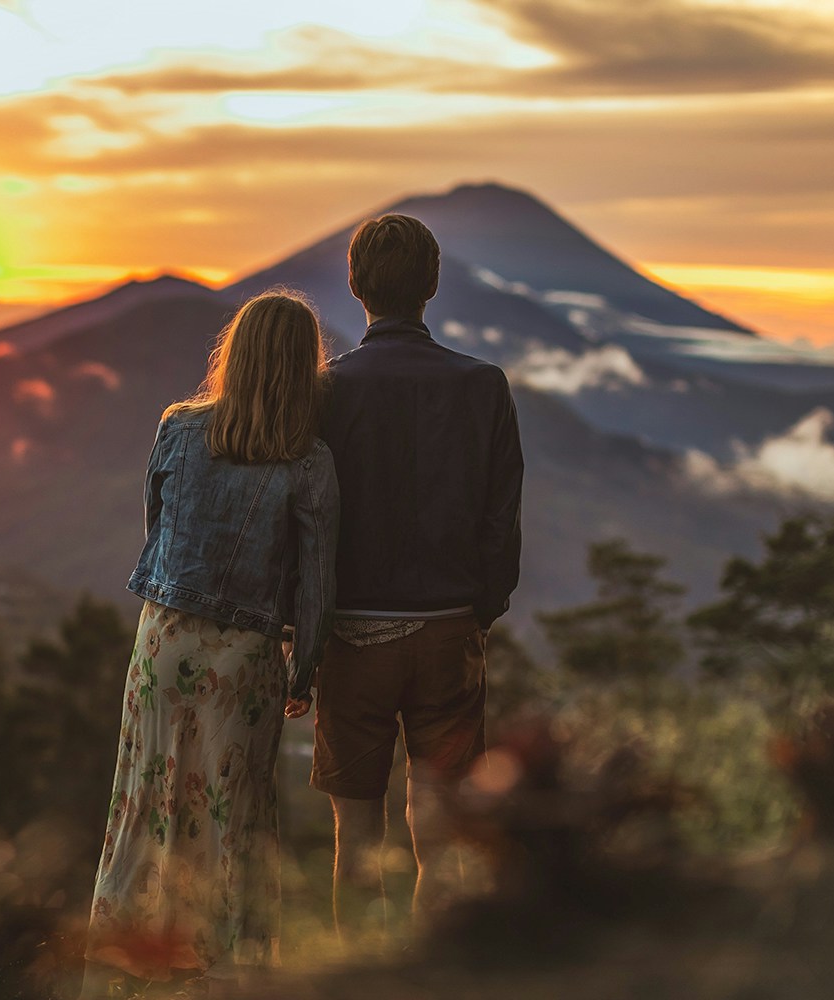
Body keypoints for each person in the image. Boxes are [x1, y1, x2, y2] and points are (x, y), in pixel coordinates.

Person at [81, 291, 339, 997]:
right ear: (303, 368)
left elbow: (158, 530)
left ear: (236, 355)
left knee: (146, 800)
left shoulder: (178, 426)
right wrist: (304, 670)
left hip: (162, 643)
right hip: (245, 659)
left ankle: (126, 962)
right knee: (232, 812)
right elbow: (318, 583)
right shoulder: (309, 462)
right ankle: (223, 973)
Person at [310, 214, 524, 940]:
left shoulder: (327, 390)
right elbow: (501, 515)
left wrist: (307, 624)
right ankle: (441, 973)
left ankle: (358, 977)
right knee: (445, 834)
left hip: (352, 638)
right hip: (449, 631)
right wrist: (480, 610)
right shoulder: (483, 385)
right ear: (432, 283)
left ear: (355, 285)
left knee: (356, 840)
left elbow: (308, 521)